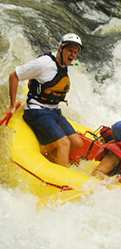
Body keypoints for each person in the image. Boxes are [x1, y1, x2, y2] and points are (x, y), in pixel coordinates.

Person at [8, 33, 84, 167]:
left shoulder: (65, 62)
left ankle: (52, 156)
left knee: (78, 143)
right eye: (70, 51)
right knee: (64, 143)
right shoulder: (44, 63)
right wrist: (12, 105)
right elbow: (14, 76)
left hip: (54, 111)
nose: (73, 55)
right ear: (61, 48)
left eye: (76, 52)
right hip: (36, 110)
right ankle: (62, 176)